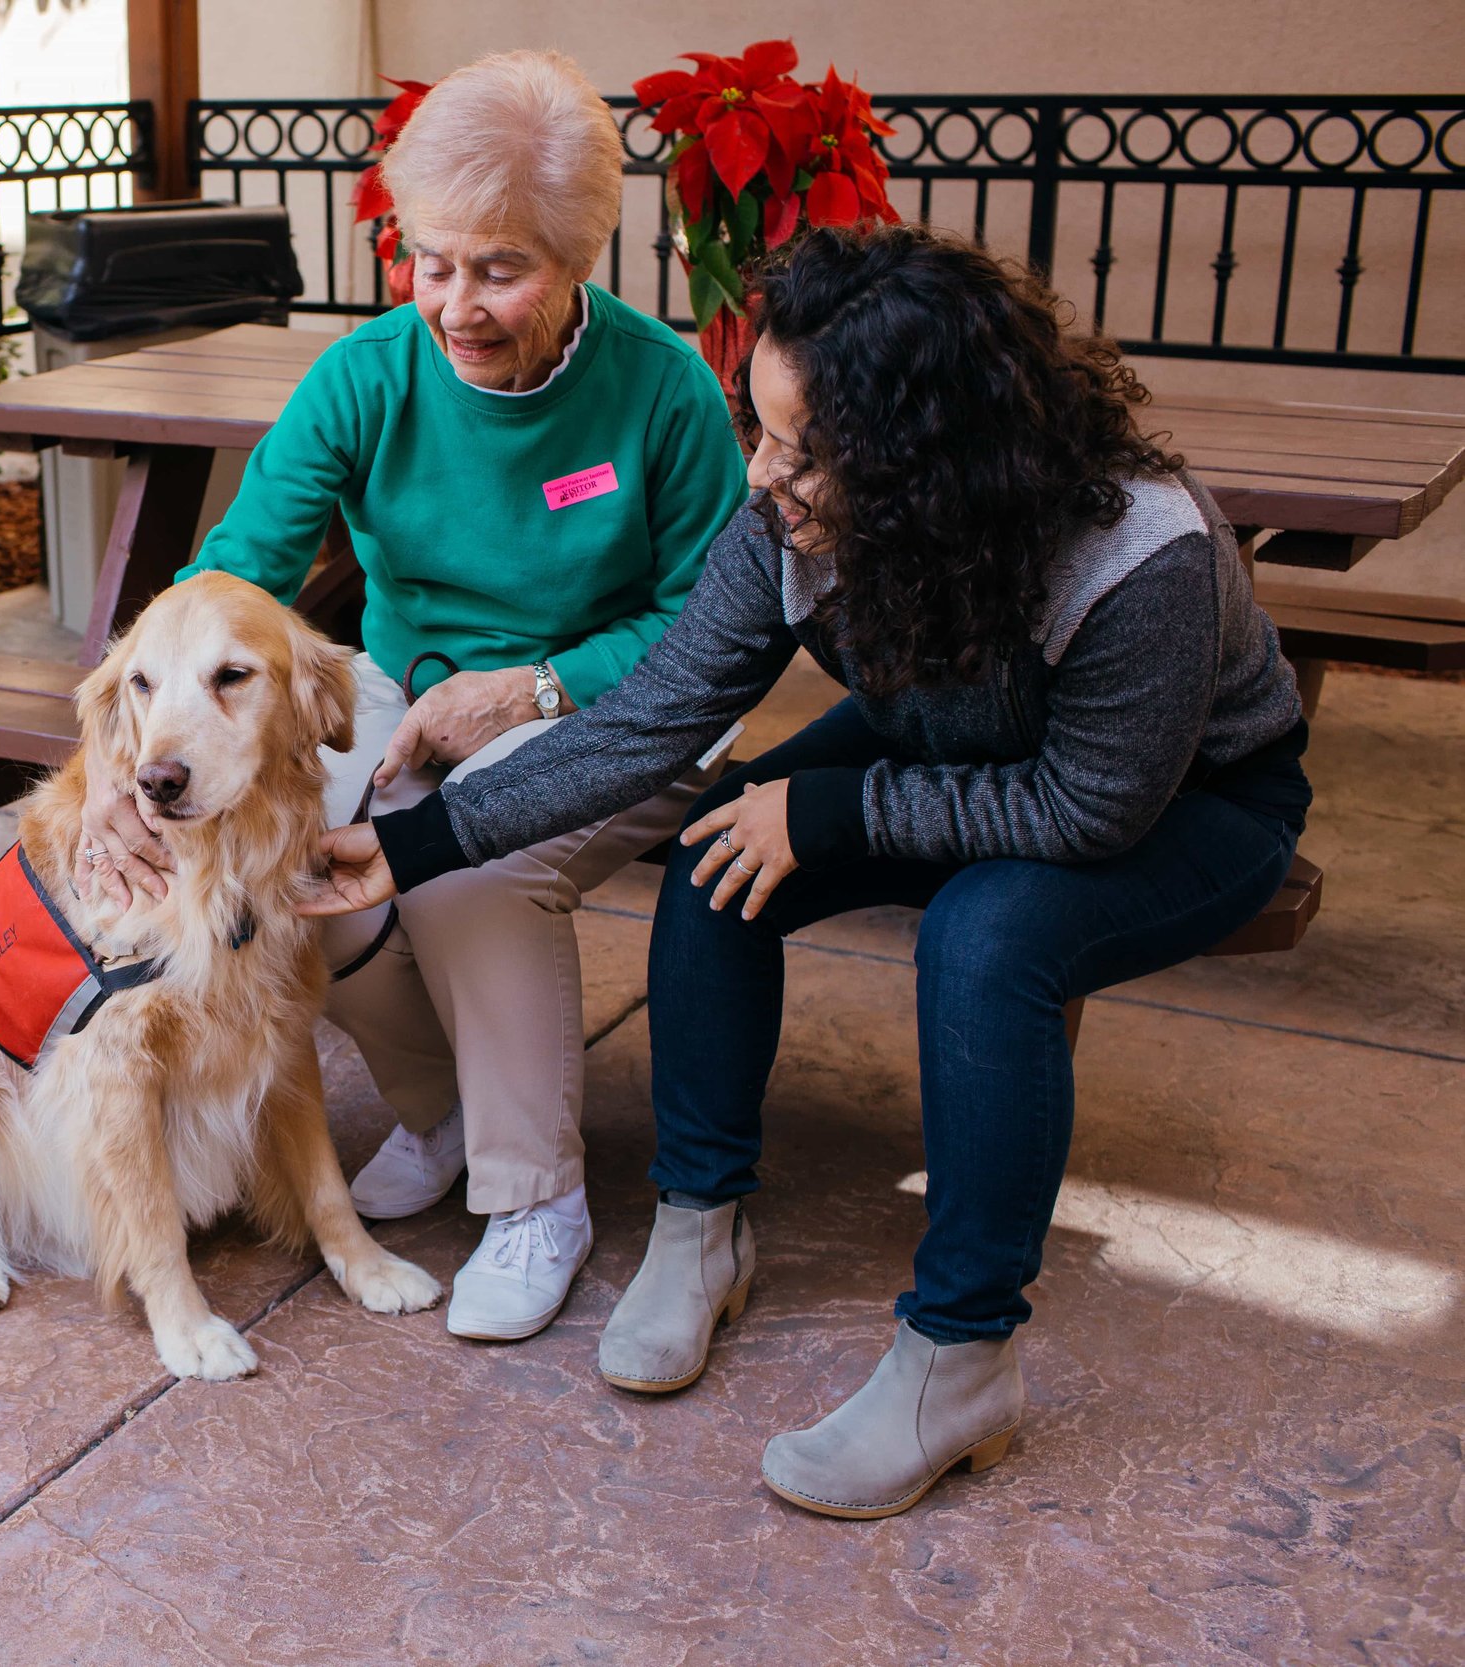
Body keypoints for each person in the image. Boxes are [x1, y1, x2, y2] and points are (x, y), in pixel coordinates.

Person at [302, 224, 1311, 1517]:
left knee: (987, 939)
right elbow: (650, 722)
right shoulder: (795, 515)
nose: (765, 475)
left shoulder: (1136, 553)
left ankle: (961, 1357)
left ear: (927, 467)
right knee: (724, 848)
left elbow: (1086, 807)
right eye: (758, 425)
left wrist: (833, 815)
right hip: (951, 726)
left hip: (1190, 799)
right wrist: (403, 848)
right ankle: (700, 1224)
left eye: (807, 451)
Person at [75, 49, 749, 1342]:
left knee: (465, 861)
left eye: (500, 270)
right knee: (285, 850)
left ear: (578, 260)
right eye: (432, 262)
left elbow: (708, 633)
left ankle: (535, 1192)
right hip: (404, 688)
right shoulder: (368, 373)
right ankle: (441, 1113)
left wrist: (532, 689)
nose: (456, 305)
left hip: (619, 704)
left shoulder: (662, 391)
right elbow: (229, 576)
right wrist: (125, 750)